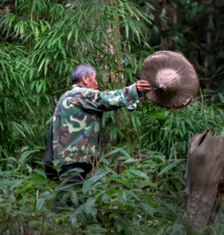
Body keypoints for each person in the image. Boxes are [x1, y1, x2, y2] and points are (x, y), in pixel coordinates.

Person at [49, 63, 150, 212]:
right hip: (75, 156)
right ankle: (52, 224)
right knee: (64, 198)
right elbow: (104, 99)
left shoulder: (67, 95)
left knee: (73, 198)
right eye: (94, 78)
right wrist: (133, 90)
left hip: (65, 156)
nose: (96, 83)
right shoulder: (80, 94)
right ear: (85, 78)